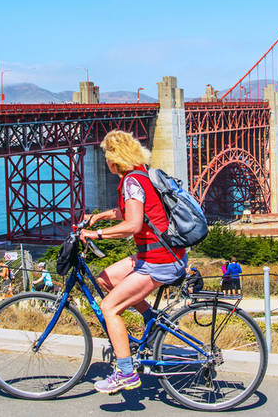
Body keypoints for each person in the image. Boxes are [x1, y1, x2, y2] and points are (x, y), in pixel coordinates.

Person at [79, 130, 187, 394]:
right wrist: (100, 217)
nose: (105, 160)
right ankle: (152, 320)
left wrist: (97, 234)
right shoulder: (140, 173)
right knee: (106, 279)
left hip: (159, 259)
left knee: (110, 308)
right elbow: (132, 210)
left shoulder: (131, 182)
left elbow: (133, 223)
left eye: (108, 155)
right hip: (158, 253)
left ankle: (126, 373)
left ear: (116, 157)